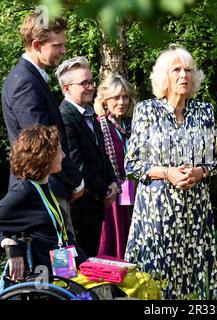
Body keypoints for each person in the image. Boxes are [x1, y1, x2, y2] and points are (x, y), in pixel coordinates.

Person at [124, 44, 217, 299]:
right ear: (163, 77)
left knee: (195, 285)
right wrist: (167, 173)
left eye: (188, 70)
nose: (183, 75)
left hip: (195, 216)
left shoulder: (205, 111)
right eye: (176, 69)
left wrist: (200, 172)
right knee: (157, 284)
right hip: (156, 217)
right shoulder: (146, 110)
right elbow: (132, 164)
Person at [1, 12, 84, 240]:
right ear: (36, 45)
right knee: (56, 265)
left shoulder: (30, 78)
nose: (63, 50)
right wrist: (76, 181)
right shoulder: (24, 83)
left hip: (47, 187)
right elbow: (44, 145)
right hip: (39, 192)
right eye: (58, 45)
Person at [0, 125, 87, 282]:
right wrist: (7, 243)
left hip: (64, 270)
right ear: (45, 156)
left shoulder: (45, 186)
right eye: (59, 150)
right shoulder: (23, 193)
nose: (64, 155)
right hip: (45, 279)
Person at [55, 56, 118, 258]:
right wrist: (103, 191)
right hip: (79, 207)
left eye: (91, 81)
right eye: (84, 83)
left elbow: (102, 154)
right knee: (78, 265)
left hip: (95, 205)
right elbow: (75, 162)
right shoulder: (64, 117)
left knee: (90, 259)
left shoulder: (91, 114)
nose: (91, 87)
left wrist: (113, 183)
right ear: (67, 88)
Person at [93, 73, 136, 259]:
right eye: (116, 97)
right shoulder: (100, 126)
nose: (121, 102)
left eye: (125, 96)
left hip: (134, 196)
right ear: (104, 100)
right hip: (111, 199)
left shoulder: (132, 126)